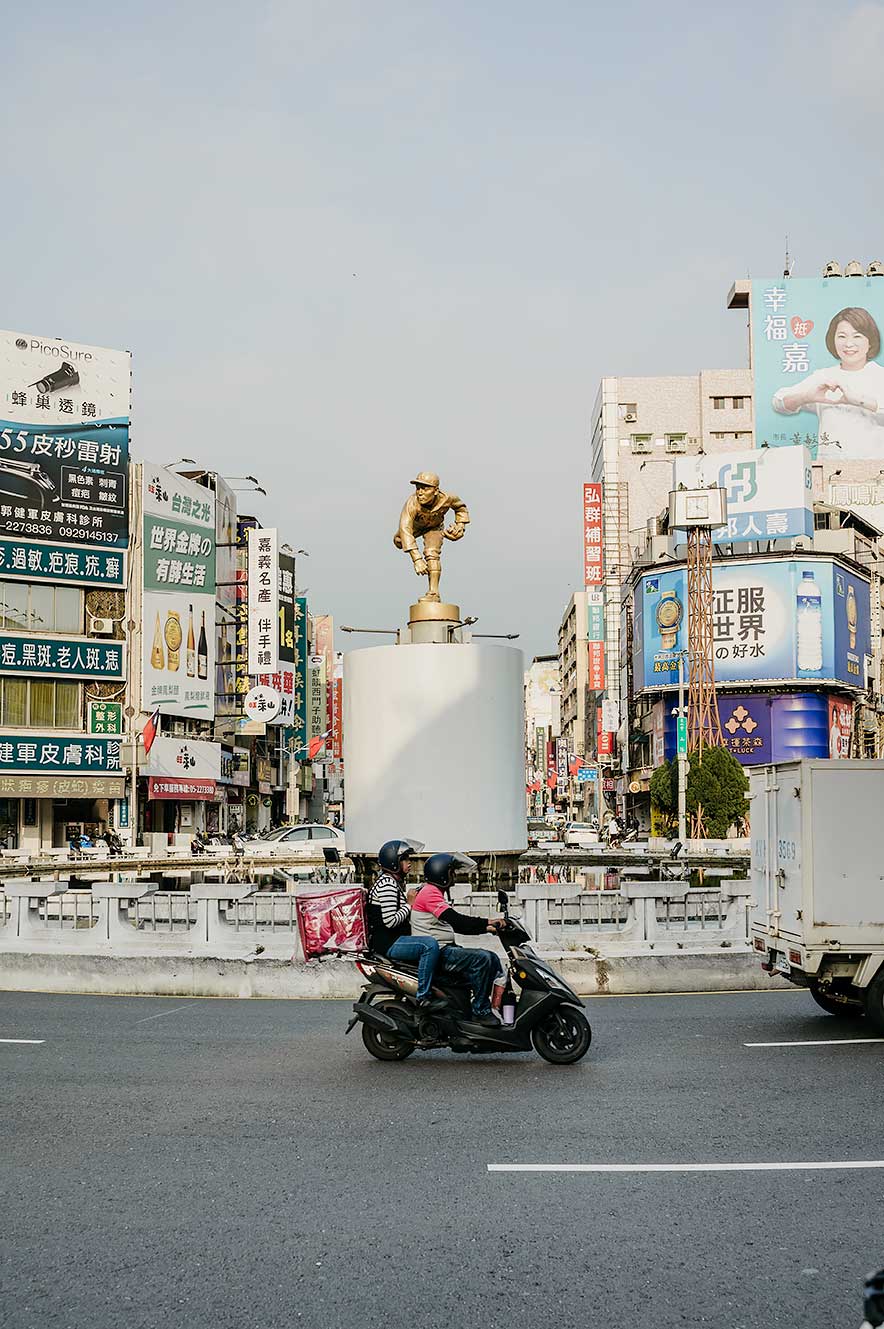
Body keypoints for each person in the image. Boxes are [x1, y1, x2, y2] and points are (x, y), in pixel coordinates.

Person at [773, 306, 884, 458]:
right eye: (841, 336)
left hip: (875, 468)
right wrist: (806, 397)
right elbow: (778, 402)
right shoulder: (824, 376)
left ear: (870, 341)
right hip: (830, 468)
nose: (848, 344)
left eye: (857, 336)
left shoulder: (879, 375)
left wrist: (858, 400)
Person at [410, 852, 504, 1028]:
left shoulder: (433, 891)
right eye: (451, 872)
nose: (454, 877)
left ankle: (492, 1007)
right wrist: (488, 923)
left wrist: (489, 928)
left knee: (492, 958)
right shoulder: (429, 893)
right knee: (482, 958)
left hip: (445, 948)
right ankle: (480, 1011)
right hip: (440, 952)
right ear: (441, 874)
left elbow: (457, 925)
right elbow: (458, 922)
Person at [366, 840, 441, 1009]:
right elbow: (390, 921)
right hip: (388, 943)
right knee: (429, 945)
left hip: (393, 939)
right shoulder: (387, 885)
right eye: (405, 859)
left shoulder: (392, 882)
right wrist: (409, 904)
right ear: (394, 862)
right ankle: (423, 996)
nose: (409, 863)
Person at [393, 471, 470, 603]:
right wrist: (417, 559)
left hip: (434, 527)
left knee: (432, 554)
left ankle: (433, 592)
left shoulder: (448, 498)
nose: (420, 492)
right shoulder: (412, 503)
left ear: (436, 490)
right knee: (399, 540)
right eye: (418, 488)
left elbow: (461, 508)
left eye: (425, 488)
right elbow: (405, 528)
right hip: (415, 528)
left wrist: (460, 526)